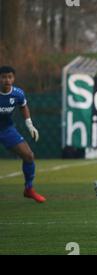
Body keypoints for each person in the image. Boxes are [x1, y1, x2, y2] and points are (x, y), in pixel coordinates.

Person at [0, 66, 46, 203]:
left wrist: (29, 125)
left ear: (13, 78)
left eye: (9, 77)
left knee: (28, 155)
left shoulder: (18, 94)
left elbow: (23, 106)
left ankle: (29, 189)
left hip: (7, 129)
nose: (6, 80)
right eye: (3, 77)